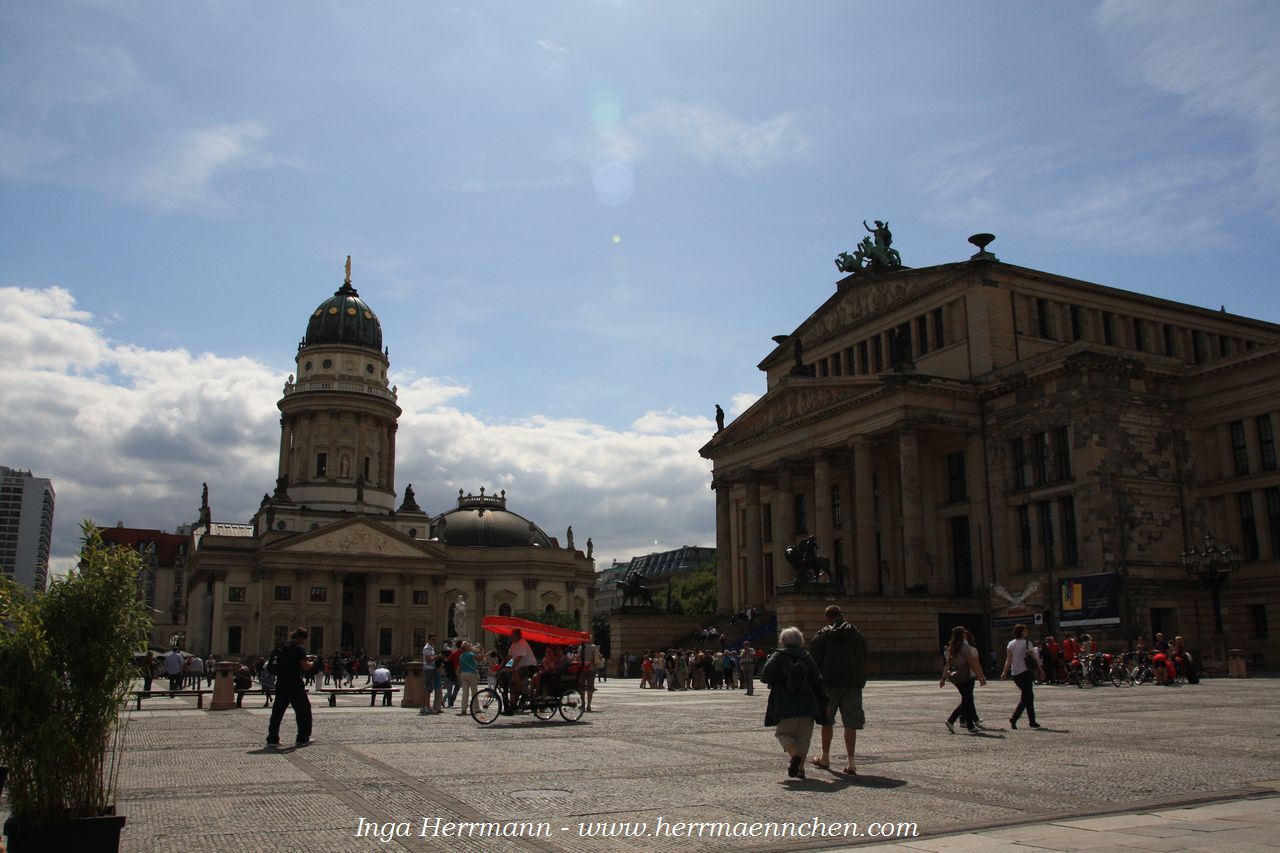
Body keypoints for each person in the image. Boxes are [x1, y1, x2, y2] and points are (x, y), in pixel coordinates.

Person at [761, 627, 828, 780]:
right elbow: (818, 682)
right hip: (807, 705)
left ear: (783, 641)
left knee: (783, 734)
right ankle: (800, 769)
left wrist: (779, 679)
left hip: (785, 704)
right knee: (803, 739)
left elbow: (765, 676)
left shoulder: (779, 655)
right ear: (800, 641)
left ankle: (794, 755)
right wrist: (824, 702)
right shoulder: (807, 657)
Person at [809, 604, 868, 775]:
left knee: (827, 720)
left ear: (827, 617)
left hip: (830, 682)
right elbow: (864, 653)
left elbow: (815, 656)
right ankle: (851, 762)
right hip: (852, 682)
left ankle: (825, 757)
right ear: (841, 615)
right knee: (851, 723)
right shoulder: (856, 633)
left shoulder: (823, 633)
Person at [267, 627, 317, 747]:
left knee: (277, 712)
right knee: (303, 710)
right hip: (294, 683)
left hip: (281, 682)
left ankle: (272, 739)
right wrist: (313, 663)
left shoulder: (281, 647)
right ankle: (303, 738)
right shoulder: (298, 648)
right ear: (302, 638)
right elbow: (305, 666)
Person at [940, 625, 985, 733]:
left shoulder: (952, 646)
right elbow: (971, 662)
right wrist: (980, 677)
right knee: (967, 700)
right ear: (963, 634)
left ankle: (970, 725)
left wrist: (943, 678)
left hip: (955, 676)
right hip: (966, 676)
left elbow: (947, 664)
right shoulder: (964, 645)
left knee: (967, 700)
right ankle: (951, 720)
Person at [1001, 623, 1042, 729]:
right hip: (1025, 673)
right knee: (1026, 697)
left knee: (1029, 697)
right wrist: (1040, 670)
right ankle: (1014, 718)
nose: (1027, 631)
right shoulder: (1027, 643)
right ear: (1021, 632)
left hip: (1015, 673)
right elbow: (1034, 659)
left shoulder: (1011, 643)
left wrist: (1005, 672)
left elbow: (1008, 659)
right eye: (1025, 630)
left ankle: (1032, 721)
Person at [506, 628, 538, 712]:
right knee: (513, 683)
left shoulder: (522, 643)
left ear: (517, 635)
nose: (510, 636)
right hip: (520, 668)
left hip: (530, 666)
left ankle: (525, 693)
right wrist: (505, 667)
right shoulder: (514, 644)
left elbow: (519, 658)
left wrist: (512, 668)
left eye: (512, 634)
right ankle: (512, 705)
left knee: (516, 673)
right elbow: (509, 657)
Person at [420, 634, 442, 715]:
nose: (434, 641)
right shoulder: (427, 648)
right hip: (428, 669)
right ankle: (427, 707)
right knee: (428, 689)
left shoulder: (431, 648)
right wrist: (437, 657)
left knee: (427, 688)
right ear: (428, 640)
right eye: (432, 639)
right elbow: (428, 660)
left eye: (434, 639)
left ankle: (423, 707)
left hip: (431, 669)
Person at [456, 642, 479, 715]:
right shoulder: (471, 654)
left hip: (463, 674)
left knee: (465, 693)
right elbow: (481, 658)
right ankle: (476, 708)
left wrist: (458, 677)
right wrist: (480, 650)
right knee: (474, 691)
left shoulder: (461, 656)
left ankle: (463, 710)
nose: (470, 645)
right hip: (471, 673)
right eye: (469, 645)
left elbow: (460, 666)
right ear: (467, 647)